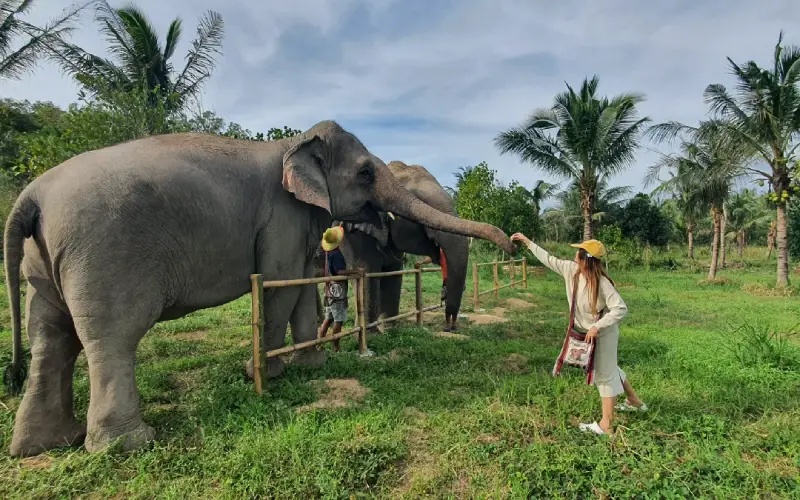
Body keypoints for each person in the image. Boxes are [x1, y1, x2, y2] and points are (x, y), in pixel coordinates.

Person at [510, 233, 647, 436]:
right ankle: (634, 401)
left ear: (586, 260)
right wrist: (528, 242)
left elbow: (620, 308)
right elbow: (548, 259)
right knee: (609, 367)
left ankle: (606, 425)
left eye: (579, 252)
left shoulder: (602, 283)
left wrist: (596, 326)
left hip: (604, 333)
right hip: (589, 332)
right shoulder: (571, 270)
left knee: (604, 375)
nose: (575, 254)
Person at [318, 226, 362, 352]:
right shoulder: (336, 254)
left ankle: (319, 343)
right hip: (337, 292)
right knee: (339, 319)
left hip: (328, 290)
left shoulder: (328, 253)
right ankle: (335, 346)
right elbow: (339, 271)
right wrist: (355, 271)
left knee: (328, 318)